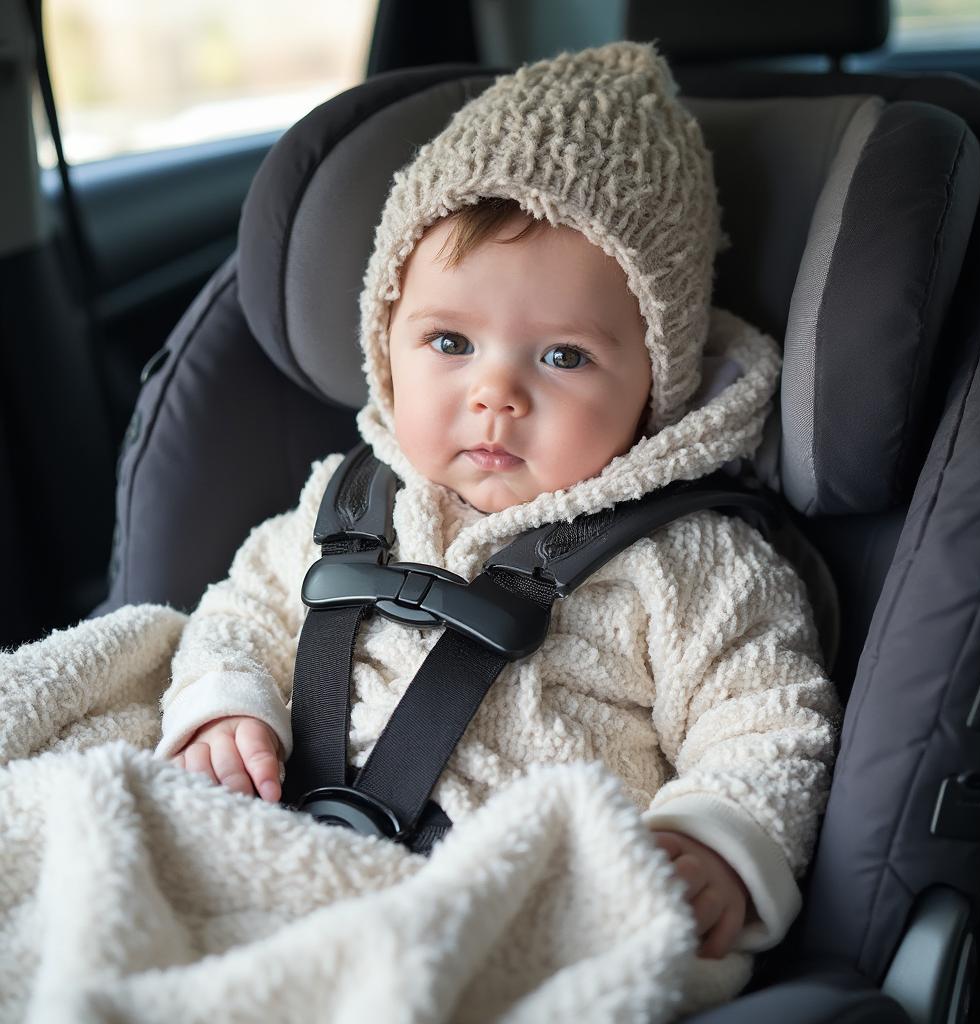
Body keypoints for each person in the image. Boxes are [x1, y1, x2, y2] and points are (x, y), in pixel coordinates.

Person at [156, 41, 840, 963]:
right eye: (449, 342)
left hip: (515, 913)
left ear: (655, 386)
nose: (495, 394)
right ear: (386, 335)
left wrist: (713, 841)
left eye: (563, 357)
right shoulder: (346, 500)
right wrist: (227, 709)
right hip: (278, 854)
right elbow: (242, 612)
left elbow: (769, 722)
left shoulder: (698, 563)